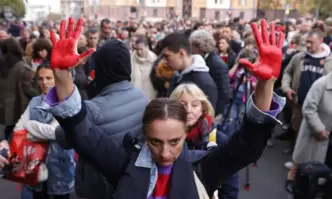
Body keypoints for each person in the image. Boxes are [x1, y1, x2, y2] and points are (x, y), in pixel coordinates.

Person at [1, 18, 285, 199]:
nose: (164, 153)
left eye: (174, 142)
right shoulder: (123, 165)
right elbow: (80, 130)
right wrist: (62, 75)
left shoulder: (201, 168)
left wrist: (266, 84)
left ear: (186, 135)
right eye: (155, 142)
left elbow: (247, 145)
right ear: (143, 136)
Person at [52, 18, 148, 199]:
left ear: (100, 68)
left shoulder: (93, 109)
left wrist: (62, 78)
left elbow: (62, 138)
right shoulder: (142, 96)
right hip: (132, 181)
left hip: (100, 187)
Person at [14, 64, 75, 199]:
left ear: (56, 79)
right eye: (41, 79)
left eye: (49, 78)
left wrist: (30, 126)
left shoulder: (65, 102)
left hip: (60, 165)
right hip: (35, 166)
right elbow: (18, 129)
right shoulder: (35, 101)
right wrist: (37, 132)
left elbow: (55, 132)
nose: (44, 82)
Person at [169, 83, 239, 199]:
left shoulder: (218, 139)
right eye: (182, 104)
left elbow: (230, 183)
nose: (188, 110)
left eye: (195, 105)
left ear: (203, 108)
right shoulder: (166, 136)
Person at [161, 32, 218, 110]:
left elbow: (208, 116)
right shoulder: (177, 74)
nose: (164, 61)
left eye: (167, 56)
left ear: (181, 54)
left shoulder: (204, 82)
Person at [0, 38, 39, 140]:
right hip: (19, 105)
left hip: (4, 103)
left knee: (6, 132)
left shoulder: (2, 65)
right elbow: (28, 88)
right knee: (15, 134)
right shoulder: (23, 67)